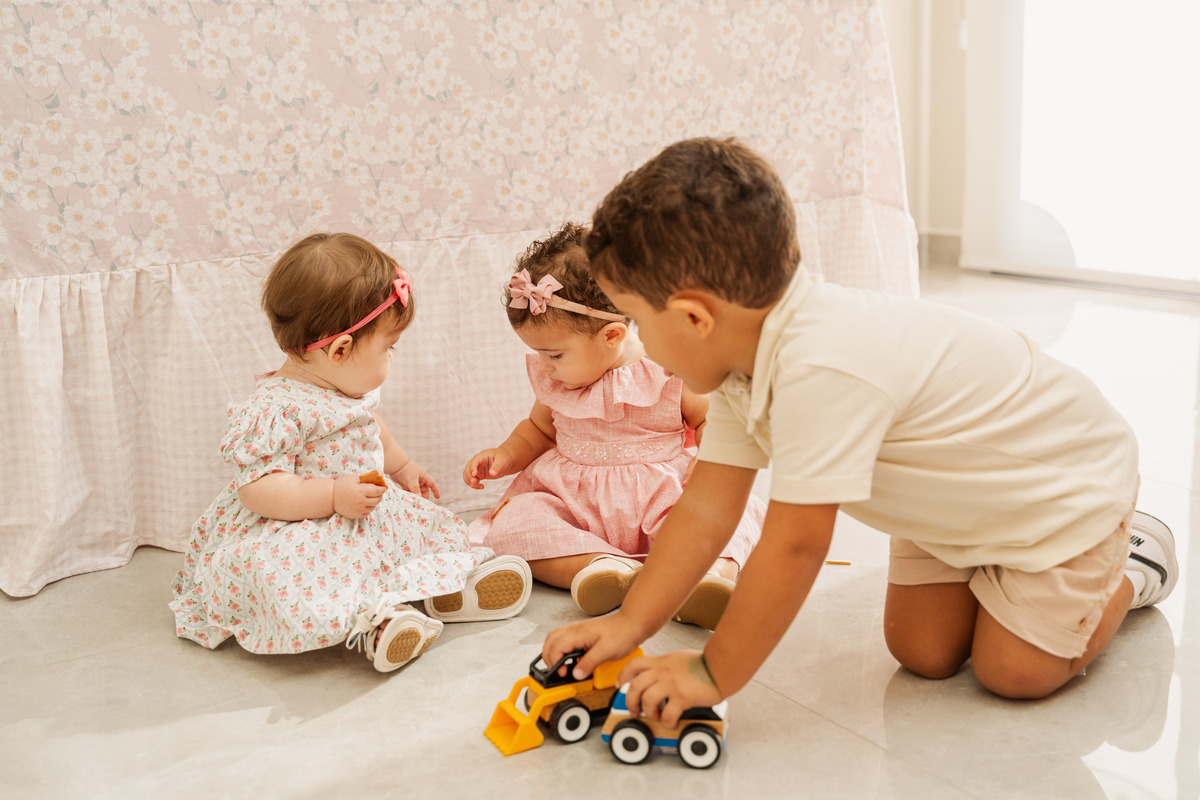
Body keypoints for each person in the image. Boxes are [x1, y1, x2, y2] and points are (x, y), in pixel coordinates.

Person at [542, 137, 1179, 726]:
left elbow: (794, 547)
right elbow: (707, 506)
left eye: (635, 320)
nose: (640, 343)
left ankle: (1131, 564)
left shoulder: (822, 367)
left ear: (694, 317)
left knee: (1013, 672)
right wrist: (630, 623)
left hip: (1059, 491)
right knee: (923, 652)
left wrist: (715, 672)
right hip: (952, 505)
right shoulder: (740, 366)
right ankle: (1005, 578)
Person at [171, 232, 532, 673]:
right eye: (389, 347)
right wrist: (332, 495)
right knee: (287, 576)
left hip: (362, 513)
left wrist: (403, 466)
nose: (393, 358)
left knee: (425, 531)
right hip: (298, 528)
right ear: (340, 349)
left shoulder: (342, 388)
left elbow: (370, 426)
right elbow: (259, 490)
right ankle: (375, 623)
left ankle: (450, 585)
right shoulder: (275, 409)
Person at [463, 222, 765, 630]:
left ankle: (710, 577)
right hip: (576, 503)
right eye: (539, 355)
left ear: (612, 335)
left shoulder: (669, 370)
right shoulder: (557, 380)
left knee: (733, 502)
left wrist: (711, 458)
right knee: (516, 523)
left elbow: (712, 419)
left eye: (553, 354)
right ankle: (608, 570)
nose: (544, 367)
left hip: (664, 499)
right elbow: (539, 430)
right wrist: (505, 454)